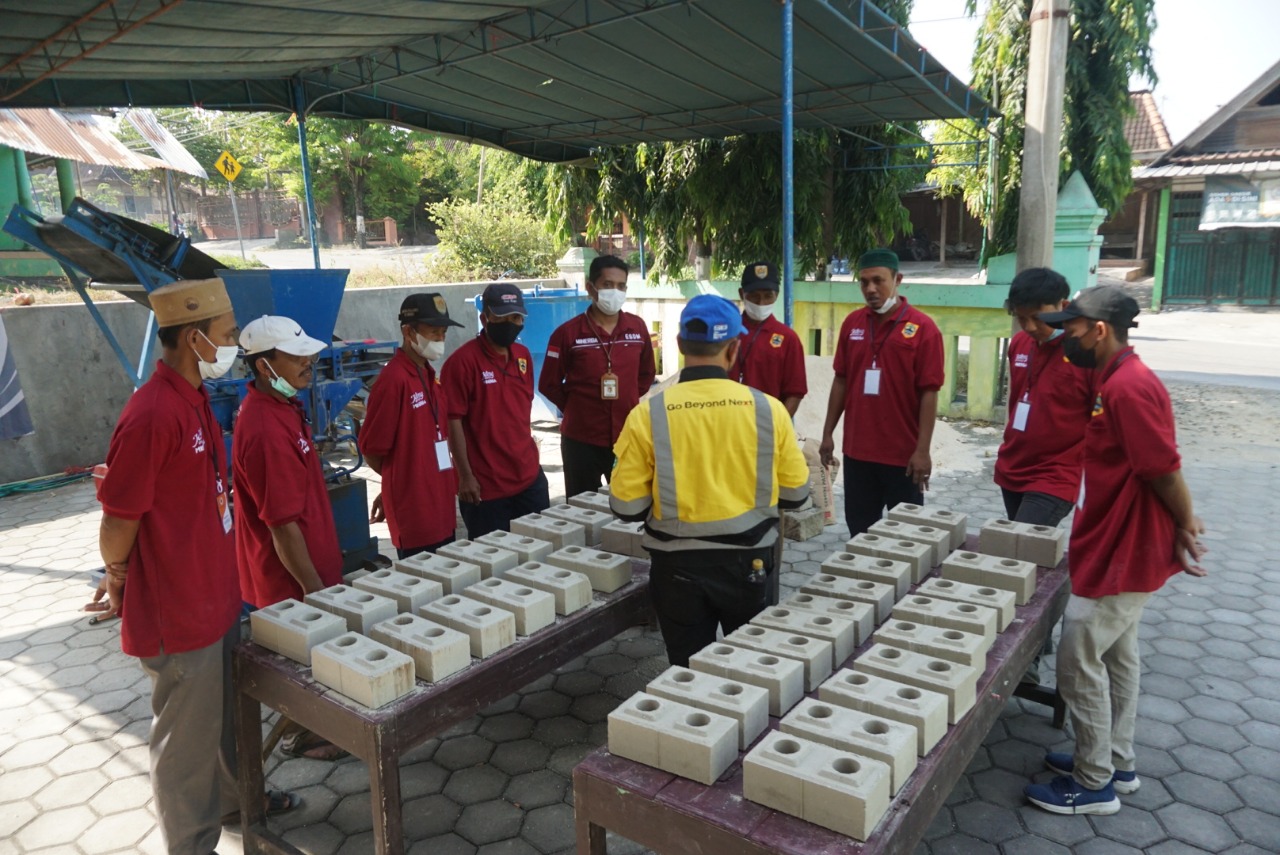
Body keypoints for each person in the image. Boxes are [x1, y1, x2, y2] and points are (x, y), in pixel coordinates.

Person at [87, 278, 297, 854]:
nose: (232, 346)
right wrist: (116, 574)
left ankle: (234, 803)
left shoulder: (194, 398)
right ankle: (191, 843)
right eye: (226, 335)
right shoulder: (153, 413)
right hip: (178, 611)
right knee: (185, 742)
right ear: (193, 338)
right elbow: (119, 517)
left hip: (214, 595)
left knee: (222, 721)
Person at [1024, 285, 1207, 816]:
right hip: (1115, 540)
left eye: (1073, 328)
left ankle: (1093, 783)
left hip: (1125, 549)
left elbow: (1163, 468)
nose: (1065, 336)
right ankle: (1115, 760)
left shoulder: (1128, 386)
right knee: (1119, 655)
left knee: (1077, 657)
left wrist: (1186, 522)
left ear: (1099, 330)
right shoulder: (1116, 378)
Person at [610, 294, 810, 667]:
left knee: (687, 673)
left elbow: (626, 506)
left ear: (680, 344)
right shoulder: (769, 409)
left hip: (676, 569)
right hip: (749, 564)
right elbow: (797, 495)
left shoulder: (648, 413)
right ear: (734, 349)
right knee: (751, 670)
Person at [232, 315, 348, 762]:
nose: (308, 362)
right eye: (296, 356)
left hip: (307, 570)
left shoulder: (283, 406)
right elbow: (281, 525)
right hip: (290, 583)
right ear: (265, 366)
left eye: (308, 354)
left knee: (314, 660)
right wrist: (315, 591)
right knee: (303, 664)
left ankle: (311, 729)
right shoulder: (264, 428)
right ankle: (299, 736)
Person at [819, 248, 945, 536]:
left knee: (906, 537)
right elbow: (841, 380)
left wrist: (922, 451)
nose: (871, 289)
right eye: (864, 282)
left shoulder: (924, 329)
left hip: (903, 457)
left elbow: (929, 392)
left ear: (897, 279)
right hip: (858, 454)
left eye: (879, 280)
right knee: (860, 531)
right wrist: (827, 433)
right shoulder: (852, 324)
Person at [539, 255, 656, 497]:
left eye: (621, 286)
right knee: (581, 507)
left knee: (630, 503)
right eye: (607, 285)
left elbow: (646, 374)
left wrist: (626, 397)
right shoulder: (567, 333)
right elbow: (548, 384)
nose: (615, 291)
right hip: (581, 439)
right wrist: (576, 406)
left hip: (626, 435)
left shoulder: (637, 328)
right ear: (590, 288)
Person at [360, 294, 463, 558]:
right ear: (408, 332)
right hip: (415, 511)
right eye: (433, 332)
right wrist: (401, 482)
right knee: (423, 576)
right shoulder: (394, 380)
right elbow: (372, 450)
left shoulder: (428, 374)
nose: (440, 339)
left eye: (443, 332)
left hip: (440, 501)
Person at [444, 283, 550, 539]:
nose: (510, 323)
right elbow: (452, 422)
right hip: (486, 487)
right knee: (494, 559)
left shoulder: (522, 356)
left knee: (541, 551)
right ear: (485, 318)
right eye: (502, 317)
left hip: (528, 478)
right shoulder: (461, 363)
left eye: (516, 317)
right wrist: (465, 476)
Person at [994, 267, 1093, 526]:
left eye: (1038, 318)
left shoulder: (1085, 354)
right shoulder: (1019, 344)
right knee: (1016, 545)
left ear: (1063, 306)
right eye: (1021, 318)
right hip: (1013, 465)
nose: (1030, 327)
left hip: (1057, 474)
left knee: (1022, 541)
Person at [731, 261, 807, 417]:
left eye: (768, 296)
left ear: (776, 295)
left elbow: (795, 392)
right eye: (754, 296)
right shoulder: (725, 332)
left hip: (766, 425)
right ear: (741, 294)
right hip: (727, 423)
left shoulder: (788, 338)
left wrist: (777, 425)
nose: (761, 303)